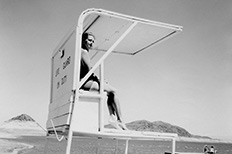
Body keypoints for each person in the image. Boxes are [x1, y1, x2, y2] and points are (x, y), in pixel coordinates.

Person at [80, 32, 128, 130]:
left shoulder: (81, 52)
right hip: (85, 82)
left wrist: (101, 81)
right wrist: (100, 80)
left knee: (110, 93)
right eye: (89, 40)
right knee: (114, 91)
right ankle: (119, 120)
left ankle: (112, 117)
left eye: (93, 41)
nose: (91, 43)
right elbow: (90, 71)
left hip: (85, 81)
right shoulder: (83, 52)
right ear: (83, 40)